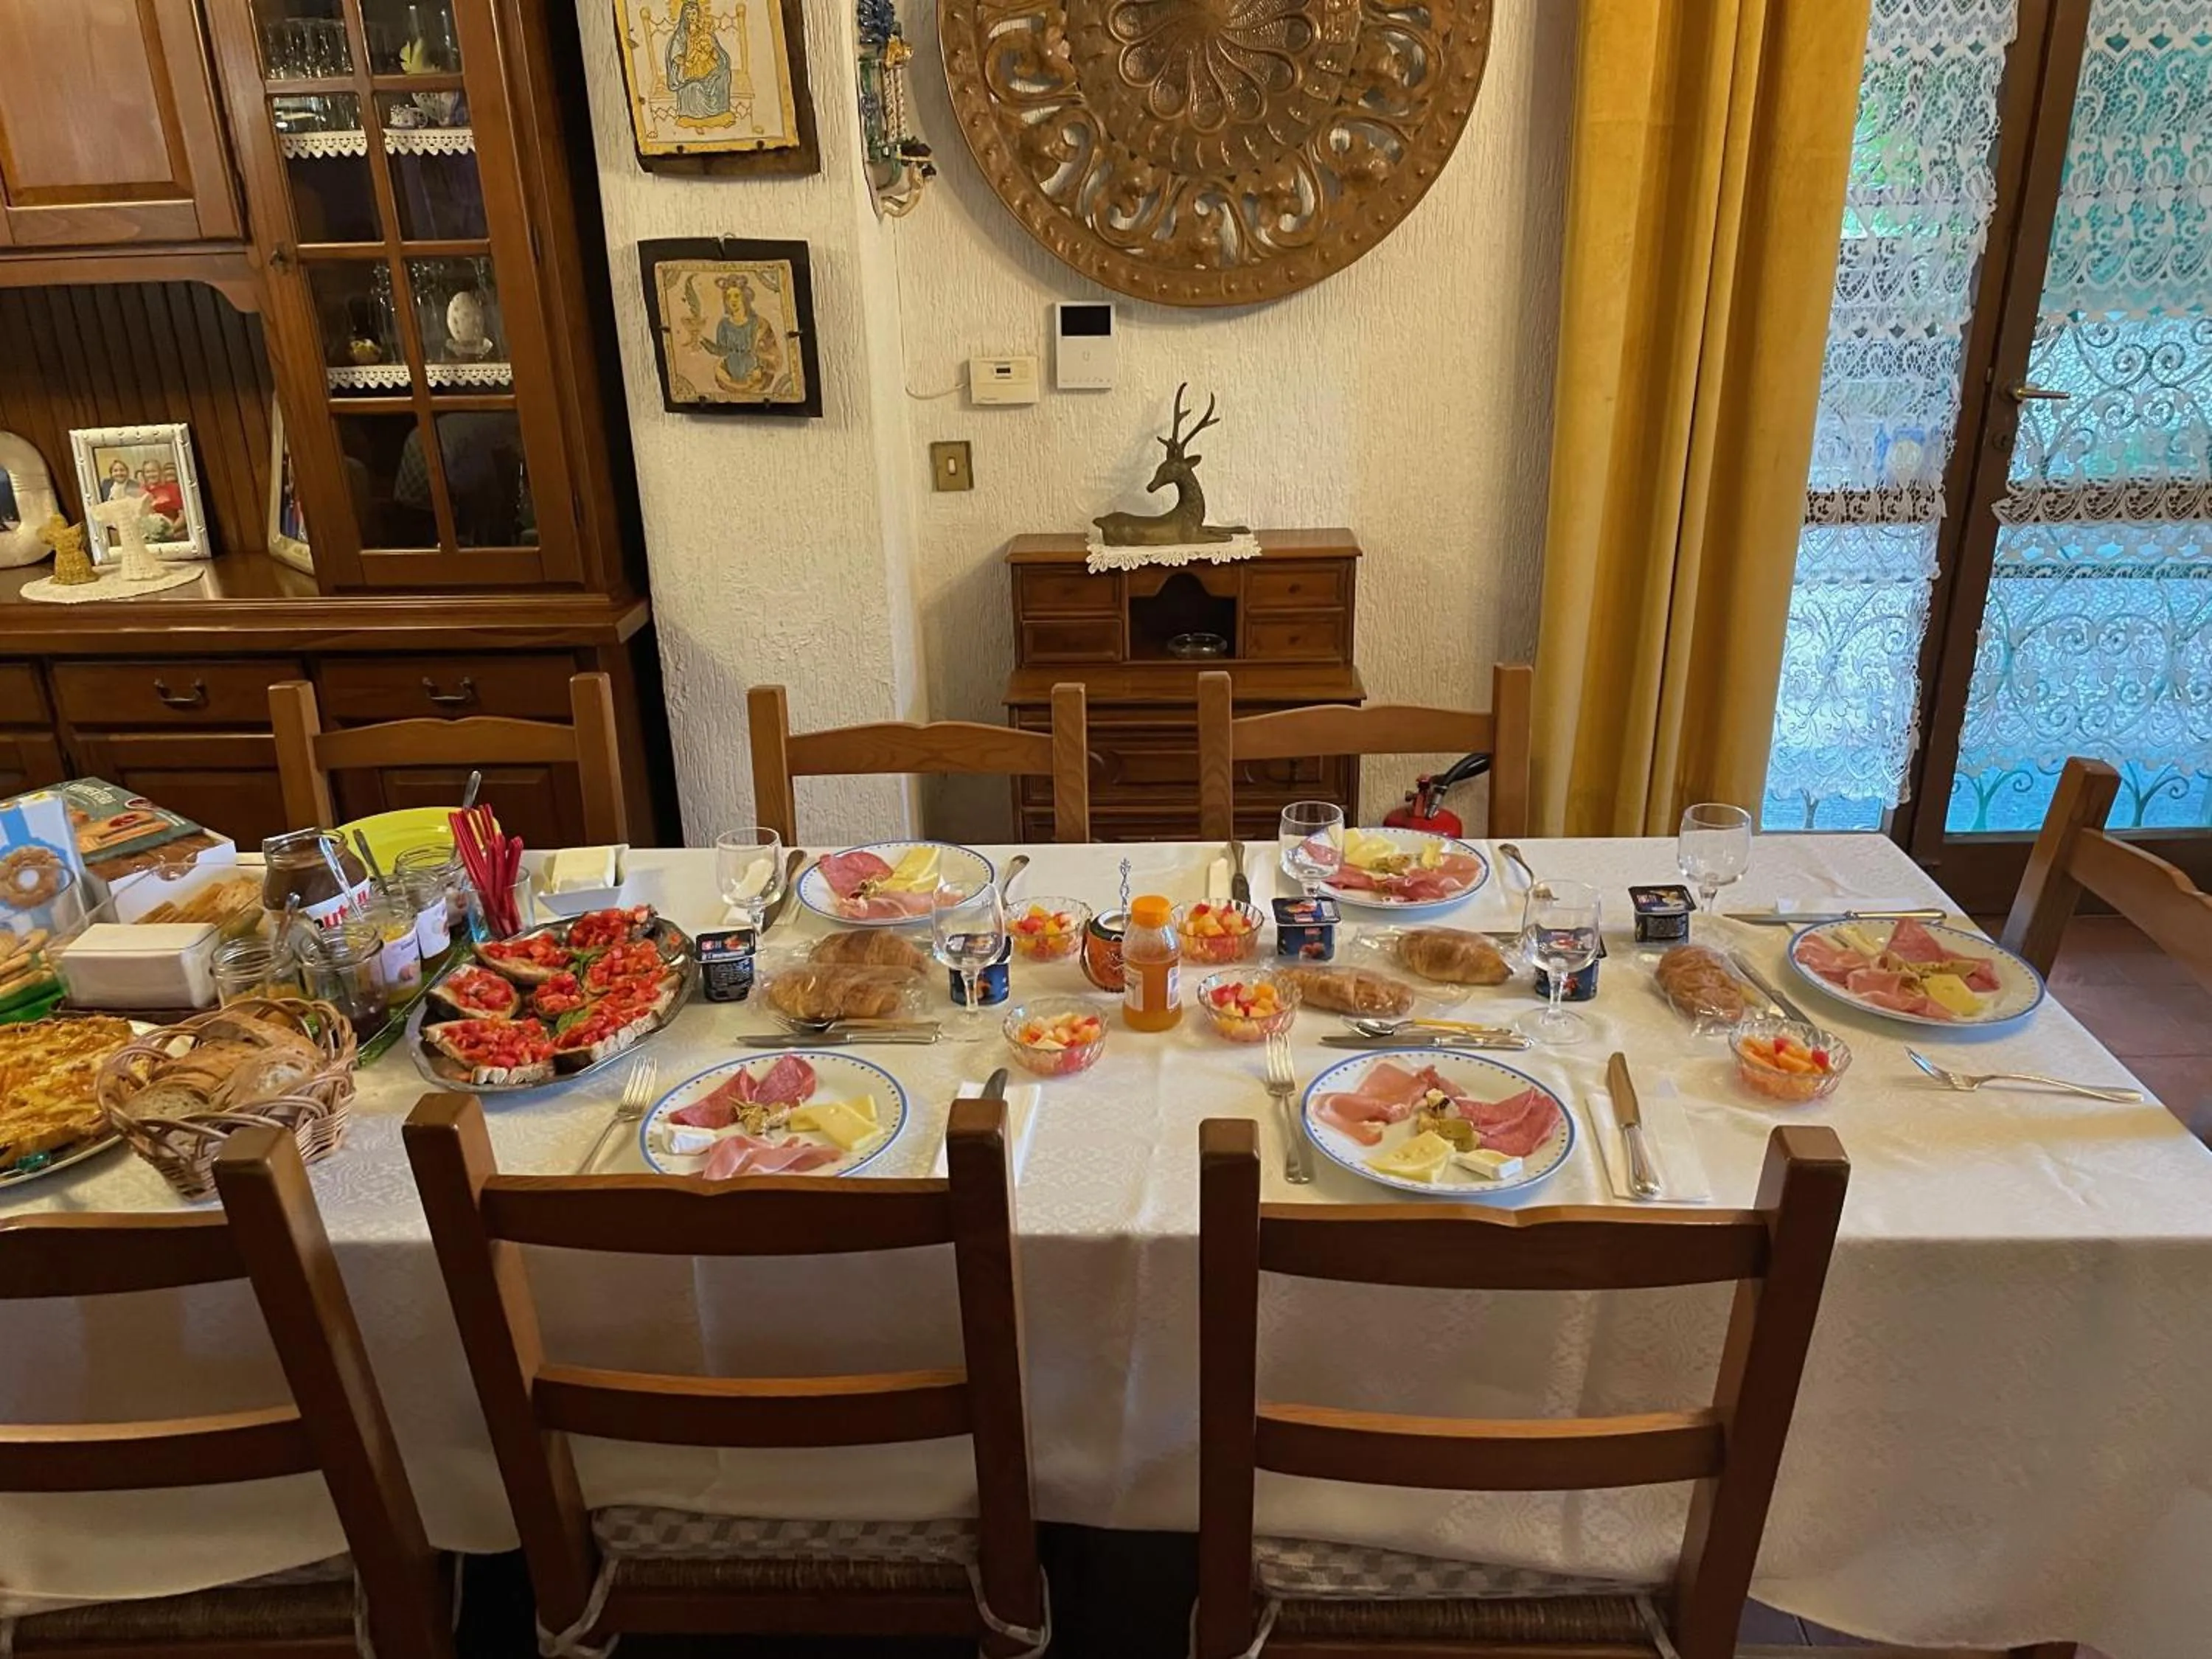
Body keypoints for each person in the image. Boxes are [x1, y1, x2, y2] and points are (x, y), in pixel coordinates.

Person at [664, 0, 734, 129]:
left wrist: (712, 51)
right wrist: (686, 62)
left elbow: (716, 51)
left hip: (707, 66)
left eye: (694, 13)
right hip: (691, 70)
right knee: (695, 87)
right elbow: (675, 56)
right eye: (688, 14)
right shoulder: (681, 35)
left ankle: (721, 115)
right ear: (684, 16)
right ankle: (696, 121)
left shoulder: (705, 32)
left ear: (698, 14)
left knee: (723, 75)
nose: (691, 17)